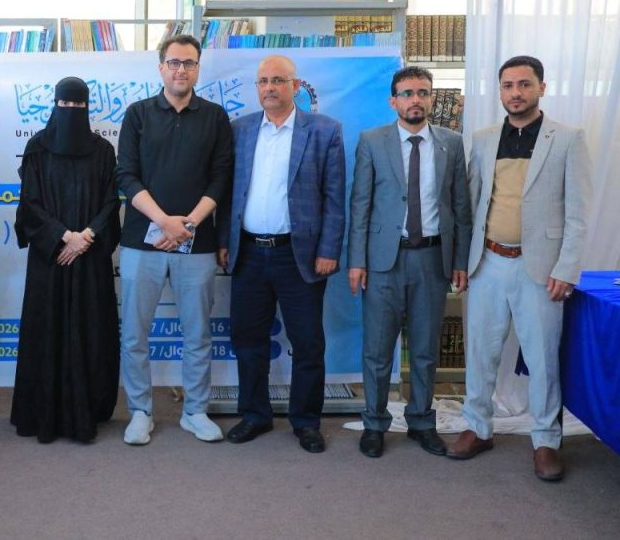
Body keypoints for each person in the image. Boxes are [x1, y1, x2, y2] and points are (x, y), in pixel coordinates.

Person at [448, 55, 590, 482]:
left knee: (543, 359)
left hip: (540, 269)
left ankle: (545, 439)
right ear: (500, 91)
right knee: (481, 352)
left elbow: (578, 214)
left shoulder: (568, 139)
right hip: (487, 262)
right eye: (508, 86)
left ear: (542, 88)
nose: (516, 93)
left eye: (525, 84)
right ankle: (478, 427)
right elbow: (471, 205)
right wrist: (463, 262)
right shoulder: (483, 139)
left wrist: (566, 268)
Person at [217, 55, 345, 453]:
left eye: (278, 80)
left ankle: (306, 421)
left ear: (295, 85)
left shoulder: (324, 130)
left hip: (299, 256)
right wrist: (224, 241)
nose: (269, 87)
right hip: (249, 253)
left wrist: (329, 249)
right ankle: (254, 415)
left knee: (308, 343)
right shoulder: (239, 130)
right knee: (248, 339)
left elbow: (334, 197)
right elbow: (227, 193)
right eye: (263, 81)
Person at [347, 66, 471, 458]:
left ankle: (421, 421)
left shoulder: (452, 143)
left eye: (423, 92)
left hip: (432, 260)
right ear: (393, 101)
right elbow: (360, 205)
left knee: (424, 349)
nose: (415, 99)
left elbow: (461, 208)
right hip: (383, 261)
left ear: (431, 98)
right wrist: (357, 261)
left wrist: (460, 260)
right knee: (377, 350)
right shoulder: (372, 141)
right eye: (407, 93)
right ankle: (374, 423)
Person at [115, 34, 233, 445]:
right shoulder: (138, 114)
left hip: (197, 243)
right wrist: (165, 221)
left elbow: (220, 176)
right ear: (161, 67)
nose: (181, 70)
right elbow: (126, 175)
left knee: (197, 334)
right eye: (174, 62)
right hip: (141, 242)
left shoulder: (215, 117)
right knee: (134, 334)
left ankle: (195, 411)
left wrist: (189, 224)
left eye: (189, 63)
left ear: (198, 68)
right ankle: (140, 411)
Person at [11, 76, 121, 443]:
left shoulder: (103, 151)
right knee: (47, 328)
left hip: (89, 259)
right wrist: (63, 236)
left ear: (87, 108)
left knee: (91, 329)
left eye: (79, 105)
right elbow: (30, 203)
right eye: (66, 104)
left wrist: (86, 236)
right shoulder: (37, 148)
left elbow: (111, 202)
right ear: (55, 105)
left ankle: (89, 409)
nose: (72, 111)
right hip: (51, 259)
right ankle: (43, 412)